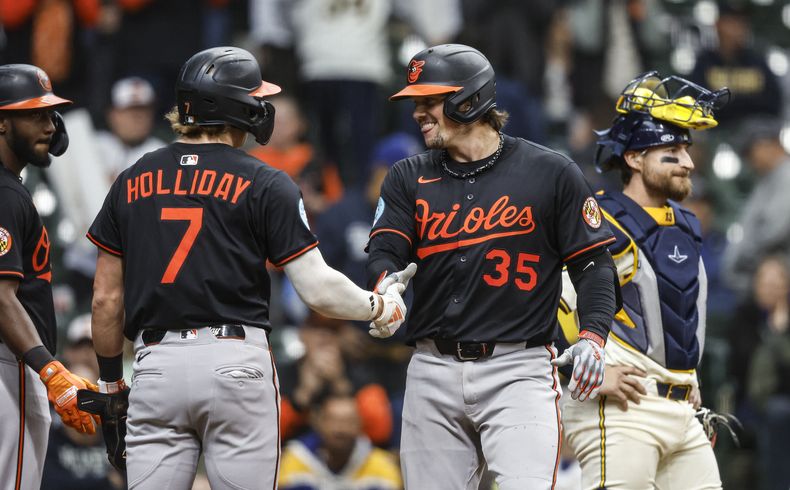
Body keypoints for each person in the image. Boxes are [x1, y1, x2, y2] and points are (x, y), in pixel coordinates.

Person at [84, 46, 413, 490]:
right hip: (234, 361)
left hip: (154, 364)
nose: (262, 105)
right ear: (232, 105)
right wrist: (377, 306)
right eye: (254, 96)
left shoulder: (132, 177)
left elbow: (106, 299)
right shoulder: (265, 180)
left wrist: (109, 386)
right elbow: (316, 289)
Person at [367, 43, 619, 489]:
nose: (418, 113)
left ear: (470, 99)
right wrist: (386, 288)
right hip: (432, 369)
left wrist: (594, 337)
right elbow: (387, 250)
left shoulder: (551, 172)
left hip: (518, 369)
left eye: (430, 100)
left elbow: (595, 265)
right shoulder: (408, 175)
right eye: (415, 102)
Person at [560, 71, 730, 489]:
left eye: (686, 148)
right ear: (634, 158)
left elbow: (682, 312)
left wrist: (687, 380)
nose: (688, 162)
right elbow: (555, 302)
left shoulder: (687, 224)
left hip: (681, 410)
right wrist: (587, 375)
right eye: (671, 149)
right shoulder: (599, 218)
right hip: (622, 409)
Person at [0, 63, 100, 490]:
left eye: (50, 114)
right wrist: (51, 371)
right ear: (2, 123)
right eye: (34, 114)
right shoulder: (5, 193)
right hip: (9, 366)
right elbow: (2, 297)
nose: (49, 125)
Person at [279, 394, 402, 490]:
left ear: (360, 424)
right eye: (333, 420)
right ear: (319, 423)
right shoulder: (296, 457)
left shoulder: (382, 464)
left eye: (348, 421)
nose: (340, 429)